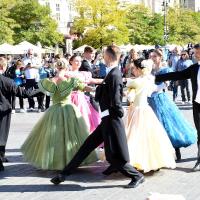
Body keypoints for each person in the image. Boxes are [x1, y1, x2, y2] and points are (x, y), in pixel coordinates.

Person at [50, 45, 144, 189]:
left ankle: (136, 176)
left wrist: (117, 113)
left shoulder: (114, 74)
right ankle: (64, 174)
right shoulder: (112, 72)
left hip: (111, 119)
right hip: (106, 118)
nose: (102, 56)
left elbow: (116, 99)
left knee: (112, 155)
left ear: (109, 56)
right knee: (87, 146)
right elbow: (106, 92)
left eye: (104, 54)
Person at [21, 59, 97, 170]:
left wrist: (24, 93)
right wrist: (99, 90)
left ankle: (55, 161)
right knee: (71, 136)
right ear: (66, 68)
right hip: (69, 109)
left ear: (57, 67)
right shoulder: (70, 81)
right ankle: (71, 160)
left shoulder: (49, 81)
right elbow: (85, 88)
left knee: (53, 137)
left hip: (54, 111)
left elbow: (35, 91)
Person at [124, 58, 176, 173]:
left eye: (134, 68)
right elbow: (156, 89)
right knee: (149, 136)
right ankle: (153, 160)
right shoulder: (148, 80)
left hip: (136, 110)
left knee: (135, 136)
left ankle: (135, 160)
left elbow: (127, 90)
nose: (133, 70)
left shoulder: (136, 81)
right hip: (145, 109)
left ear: (139, 69)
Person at [155, 44, 200, 170]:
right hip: (197, 104)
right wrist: (156, 78)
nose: (195, 55)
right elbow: (177, 75)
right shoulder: (194, 68)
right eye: (195, 52)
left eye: (198, 53)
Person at [0, 57, 39, 170]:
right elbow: (25, 93)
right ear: (2, 67)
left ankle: (1, 157)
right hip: (3, 111)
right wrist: (41, 89)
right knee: (1, 136)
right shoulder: (6, 81)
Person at [66, 55, 101, 133]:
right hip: (70, 99)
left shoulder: (83, 73)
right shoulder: (67, 73)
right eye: (76, 61)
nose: (79, 63)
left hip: (81, 98)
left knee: (84, 119)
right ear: (71, 62)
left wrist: (106, 80)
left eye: (80, 61)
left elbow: (93, 80)